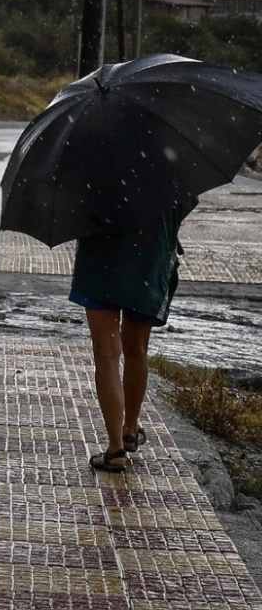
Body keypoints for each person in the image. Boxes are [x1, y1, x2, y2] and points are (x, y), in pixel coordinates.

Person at [69, 197, 198, 473]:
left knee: (106, 353)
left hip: (100, 258)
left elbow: (74, 209)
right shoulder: (166, 159)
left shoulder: (91, 162)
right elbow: (186, 202)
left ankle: (115, 448)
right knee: (136, 349)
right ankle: (130, 428)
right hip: (150, 256)